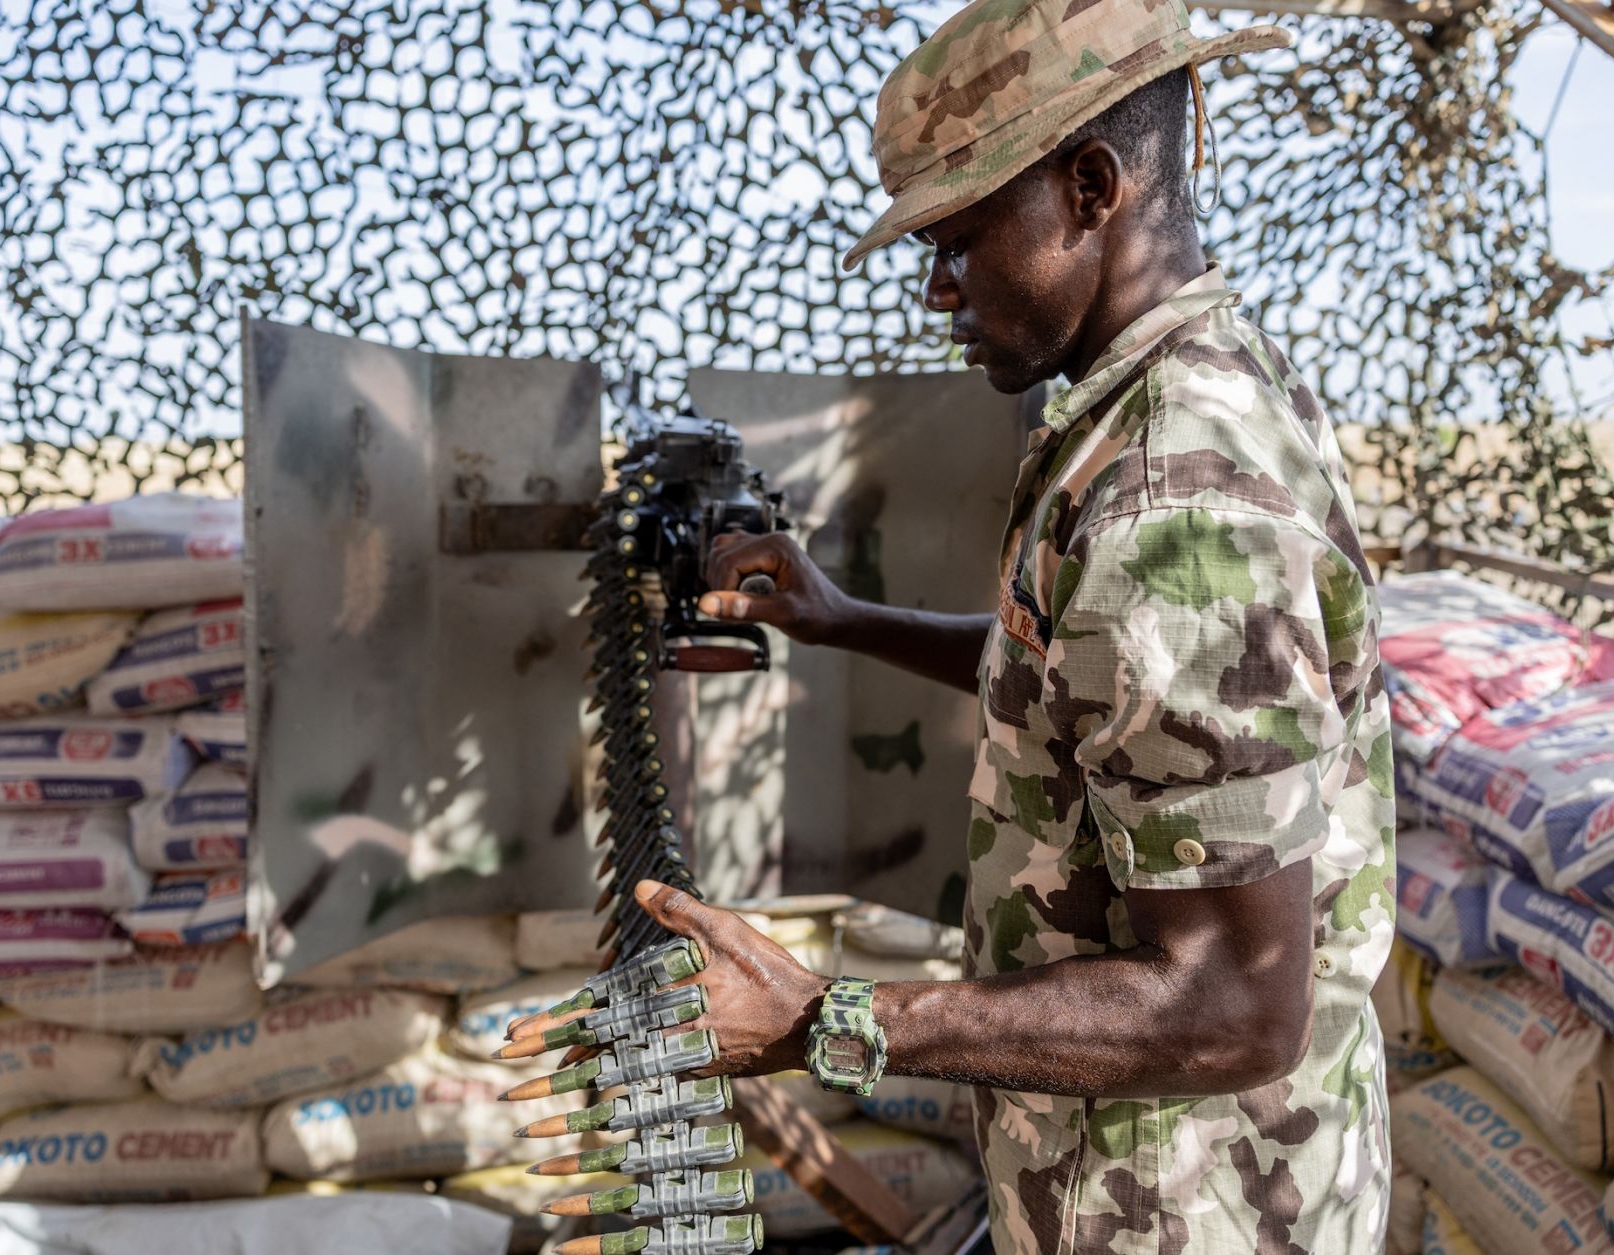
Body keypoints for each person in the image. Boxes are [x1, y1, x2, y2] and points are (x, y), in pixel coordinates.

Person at [515, 0, 1397, 1248]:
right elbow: (1118, 715)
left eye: (960, 240)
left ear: (1091, 186)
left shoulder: (1167, 498)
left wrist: (829, 1016)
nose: (936, 289)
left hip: (1186, 1209)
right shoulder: (1188, 393)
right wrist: (844, 620)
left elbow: (1238, 1005)